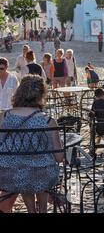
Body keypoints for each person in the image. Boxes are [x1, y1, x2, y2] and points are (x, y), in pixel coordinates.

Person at [0, 75, 63, 213]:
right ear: (41, 95)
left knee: (25, 170)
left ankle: (31, 210)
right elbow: (59, 157)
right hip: (43, 174)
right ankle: (43, 209)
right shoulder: (48, 121)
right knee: (39, 170)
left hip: (10, 175)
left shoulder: (5, 116)